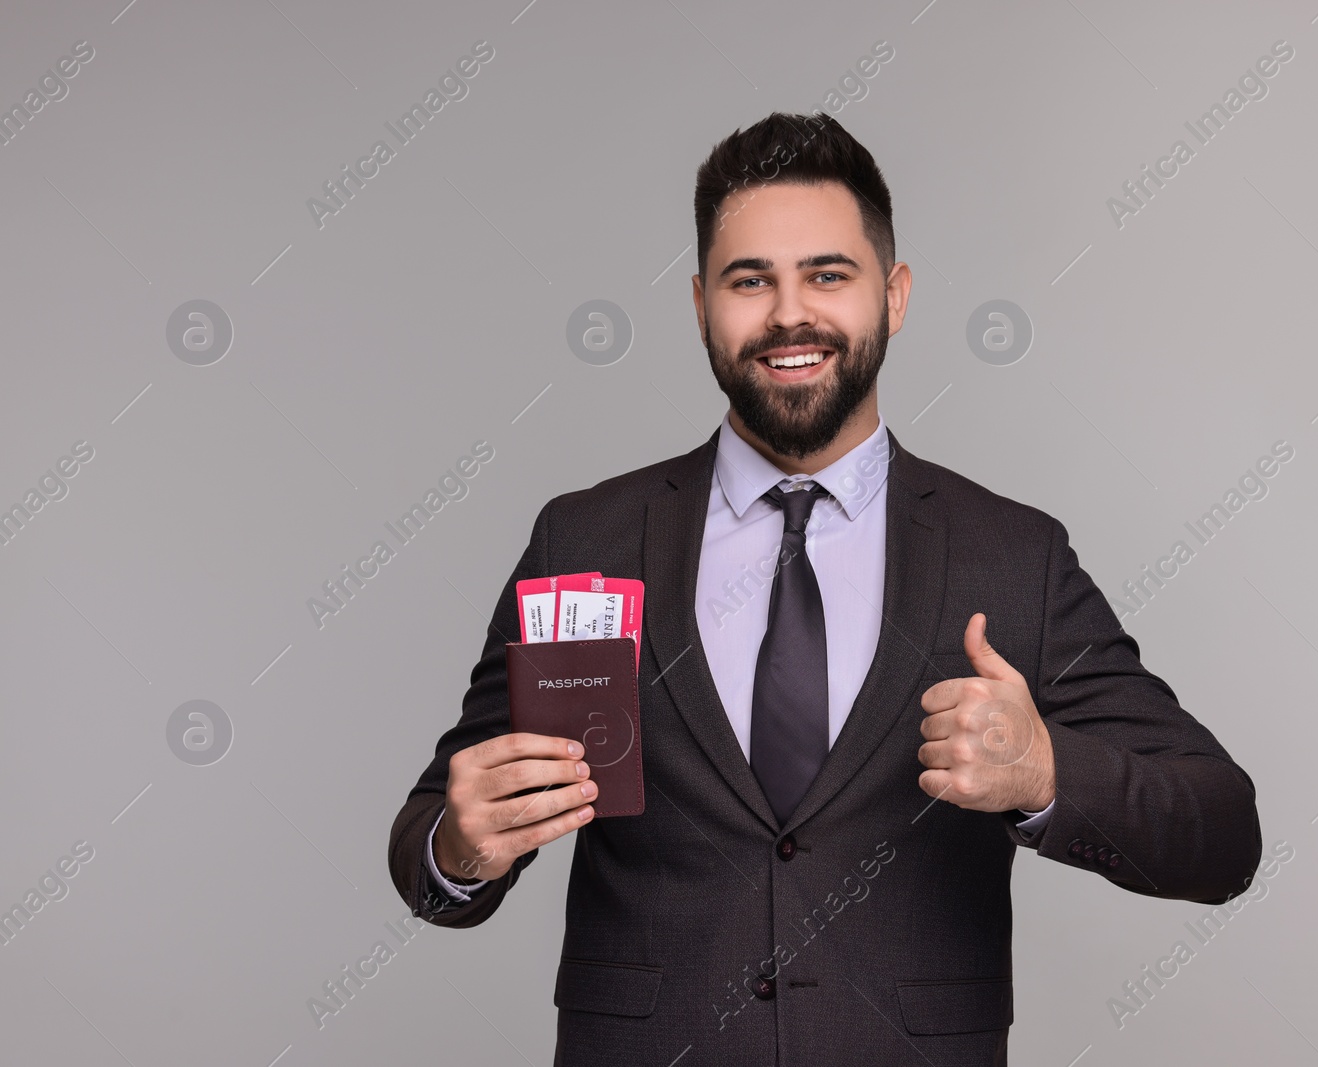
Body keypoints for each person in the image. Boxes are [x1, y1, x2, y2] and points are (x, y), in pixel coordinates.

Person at [388, 111, 1261, 1065]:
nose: (787, 314)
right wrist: (459, 850)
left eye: (828, 275)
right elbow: (431, 853)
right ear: (698, 304)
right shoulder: (585, 537)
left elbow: (1222, 835)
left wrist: (1048, 772)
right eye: (749, 279)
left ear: (894, 297)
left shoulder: (1013, 555)